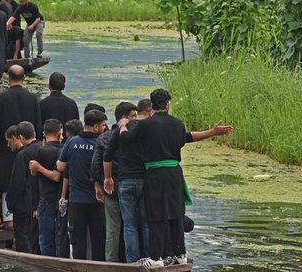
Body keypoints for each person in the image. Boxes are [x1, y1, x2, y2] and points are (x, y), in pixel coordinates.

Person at [119, 89, 233, 267]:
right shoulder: (177, 123)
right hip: (174, 174)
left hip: (155, 174)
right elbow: (187, 138)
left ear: (152, 106)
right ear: (168, 105)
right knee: (176, 213)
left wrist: (123, 125)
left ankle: (156, 258)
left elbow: (126, 139)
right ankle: (180, 254)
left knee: (156, 213)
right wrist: (212, 132)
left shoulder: (145, 125)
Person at [0, 65, 41, 228]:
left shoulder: (1, 98)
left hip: (7, 147)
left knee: (8, 178)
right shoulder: (32, 98)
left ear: (8, 78)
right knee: (28, 177)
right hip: (29, 144)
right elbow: (38, 123)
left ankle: (8, 218)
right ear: (24, 78)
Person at [104, 99, 152, 263]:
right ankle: (148, 257)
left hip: (125, 181)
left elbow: (107, 156)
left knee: (129, 224)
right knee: (145, 222)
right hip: (144, 179)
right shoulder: (146, 129)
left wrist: (107, 177)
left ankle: (132, 261)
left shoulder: (120, 130)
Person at [57, 109, 108, 261]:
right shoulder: (102, 143)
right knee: (98, 237)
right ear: (96, 127)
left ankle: (78, 265)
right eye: (103, 126)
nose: (105, 128)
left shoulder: (72, 142)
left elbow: (60, 166)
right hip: (98, 199)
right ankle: (99, 266)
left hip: (76, 199)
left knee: (77, 238)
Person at [94, 101, 137, 263]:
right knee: (132, 224)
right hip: (129, 184)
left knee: (113, 228)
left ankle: (111, 261)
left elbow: (95, 165)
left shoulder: (104, 137)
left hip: (110, 189)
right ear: (125, 118)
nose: (136, 119)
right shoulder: (134, 136)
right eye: (133, 116)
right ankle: (133, 259)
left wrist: (98, 183)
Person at [30, 118, 65, 257]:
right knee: (61, 237)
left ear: (44, 133)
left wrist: (39, 168)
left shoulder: (43, 151)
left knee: (45, 239)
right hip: (62, 198)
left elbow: (33, 171)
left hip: (47, 198)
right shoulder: (64, 149)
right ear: (59, 133)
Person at [7, 121, 43, 253]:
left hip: (24, 203)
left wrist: (10, 202)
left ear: (21, 137)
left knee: (22, 235)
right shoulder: (43, 147)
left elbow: (18, 182)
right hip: (42, 199)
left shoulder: (23, 155)